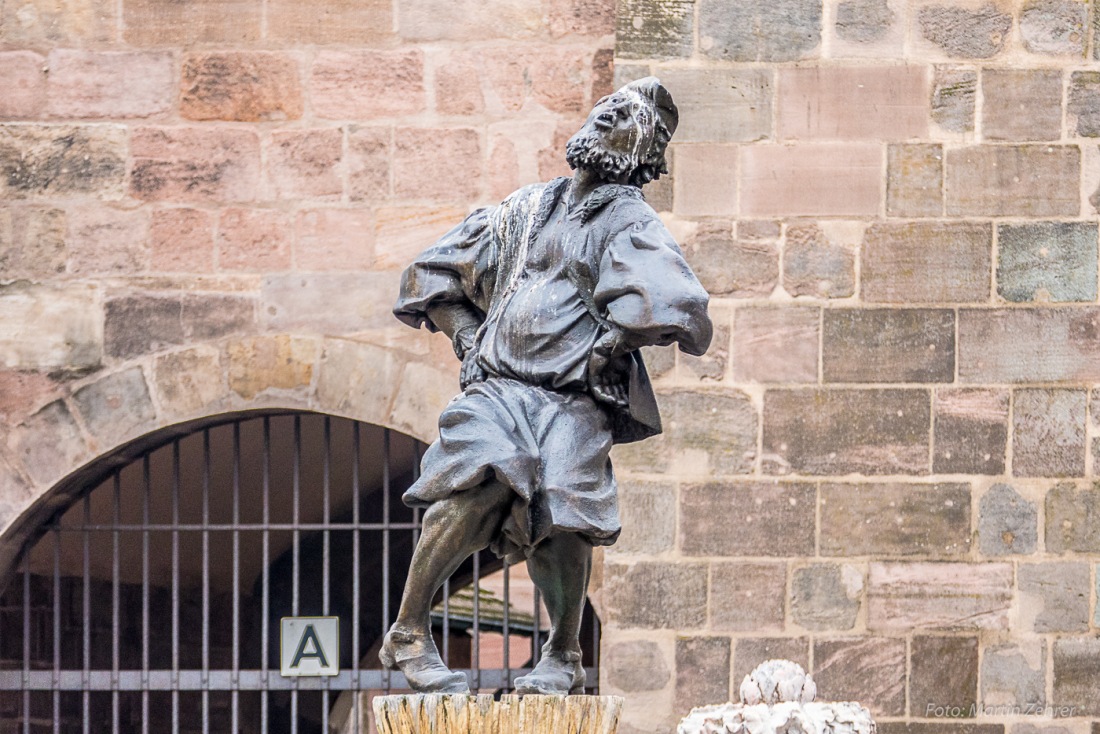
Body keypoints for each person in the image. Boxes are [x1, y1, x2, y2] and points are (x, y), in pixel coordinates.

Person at [384, 77, 712, 695]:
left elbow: (676, 302)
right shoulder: (526, 208)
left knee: (564, 506)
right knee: (480, 474)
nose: (602, 116)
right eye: (603, 108)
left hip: (572, 398)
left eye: (620, 118)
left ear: (638, 153)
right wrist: (467, 338)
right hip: (500, 386)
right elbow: (430, 276)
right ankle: (407, 629)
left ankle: (562, 654)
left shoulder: (627, 219)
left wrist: (614, 344)